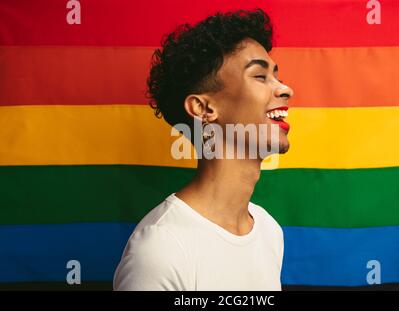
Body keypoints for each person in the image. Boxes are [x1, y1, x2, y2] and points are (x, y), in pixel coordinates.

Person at [113, 8, 294, 291]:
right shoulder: (161, 250)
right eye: (260, 76)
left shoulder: (269, 231)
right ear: (204, 108)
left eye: (276, 76)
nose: (285, 89)